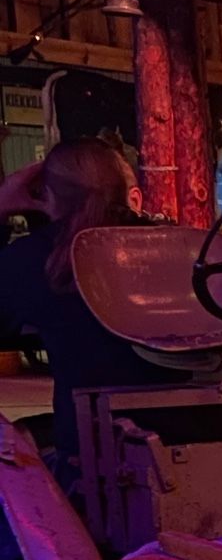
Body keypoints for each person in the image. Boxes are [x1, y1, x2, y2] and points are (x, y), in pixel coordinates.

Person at [0, 138, 177, 486]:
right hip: (201, 437)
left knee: (16, 442)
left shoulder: (33, 259)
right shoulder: (176, 246)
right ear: (130, 193)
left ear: (45, 196)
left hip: (92, 460)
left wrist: (2, 205)